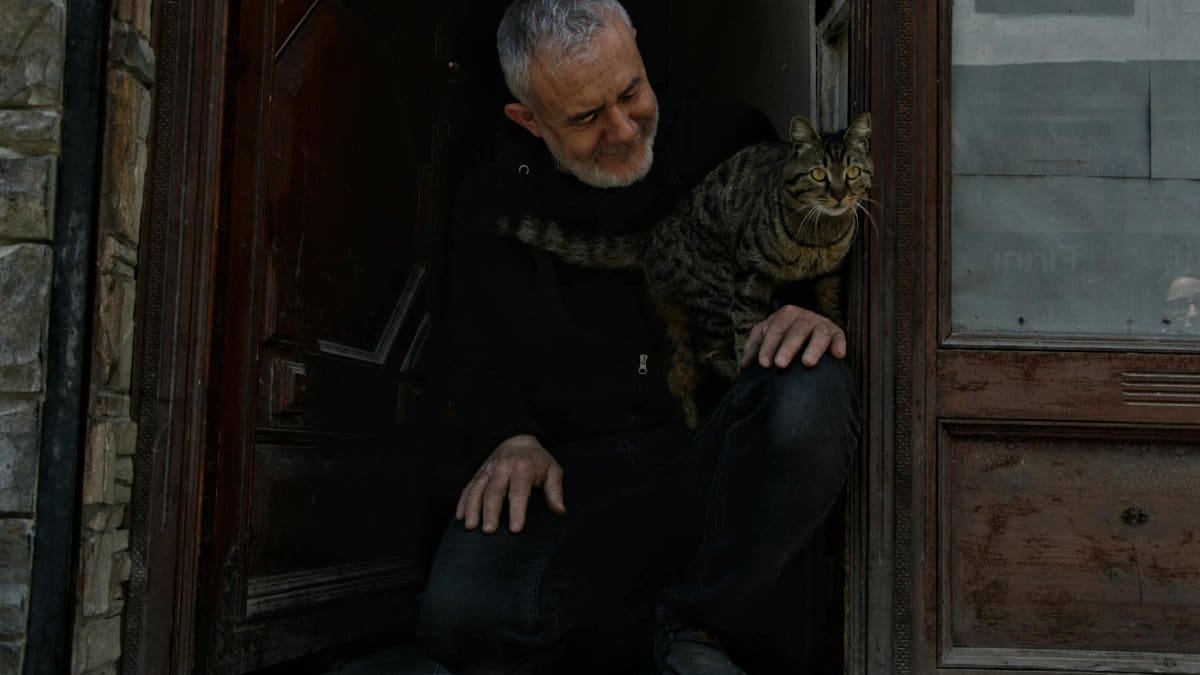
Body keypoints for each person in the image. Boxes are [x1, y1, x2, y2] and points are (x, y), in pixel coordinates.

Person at [418, 1, 860, 672]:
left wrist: (803, 312)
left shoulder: (728, 135)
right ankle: (647, 636)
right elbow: (473, 348)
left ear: (639, 52)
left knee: (813, 388)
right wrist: (510, 436)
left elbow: (795, 249)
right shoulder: (493, 196)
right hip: (573, 474)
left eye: (631, 92)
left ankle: (699, 626)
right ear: (528, 120)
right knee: (461, 612)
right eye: (585, 118)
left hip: (712, 447)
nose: (623, 129)